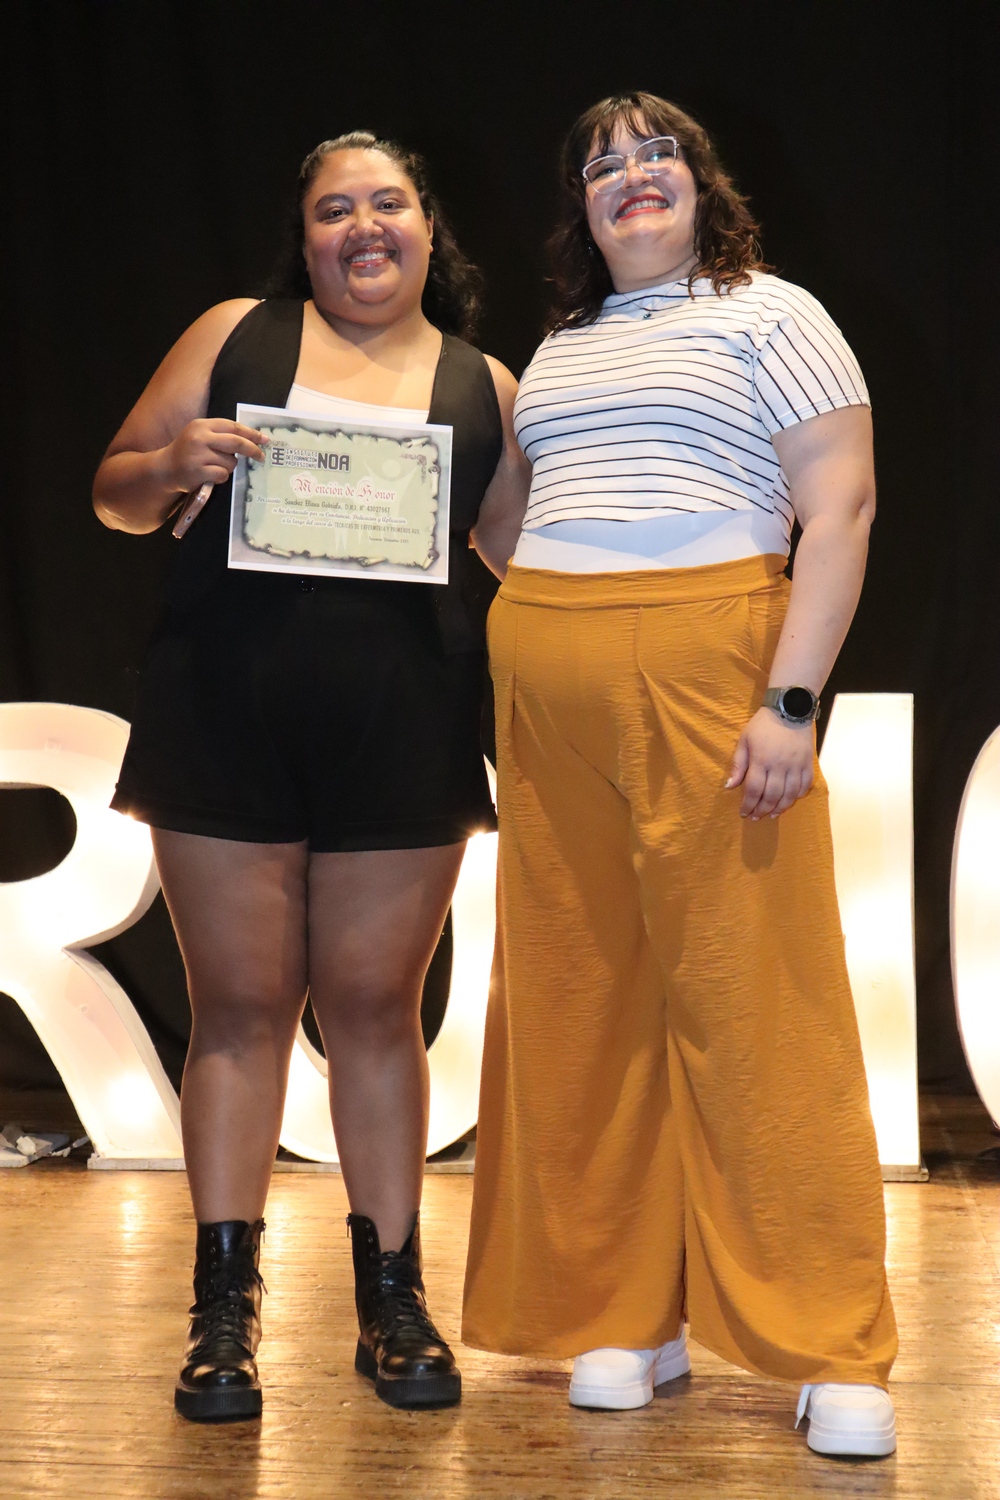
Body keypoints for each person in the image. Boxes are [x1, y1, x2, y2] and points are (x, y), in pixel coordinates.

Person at [464, 92, 898, 1459]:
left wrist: (788, 699)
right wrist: (556, 622)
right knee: (579, 1002)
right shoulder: (561, 345)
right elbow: (512, 521)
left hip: (716, 673)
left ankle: (829, 1342)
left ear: (704, 185)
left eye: (657, 154)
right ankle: (624, 1312)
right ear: (581, 208)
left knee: (758, 1004)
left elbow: (841, 508)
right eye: (603, 164)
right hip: (551, 688)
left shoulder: (775, 313)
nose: (632, 175)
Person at [93, 130, 527, 1421]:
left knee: (376, 1010)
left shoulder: (485, 385)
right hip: (223, 716)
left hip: (405, 728)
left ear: (429, 226)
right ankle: (222, 1317)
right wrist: (173, 465)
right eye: (335, 209)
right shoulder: (234, 335)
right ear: (305, 236)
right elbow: (115, 492)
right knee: (238, 1010)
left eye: (387, 202)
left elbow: (525, 560)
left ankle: (393, 1305)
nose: (363, 227)